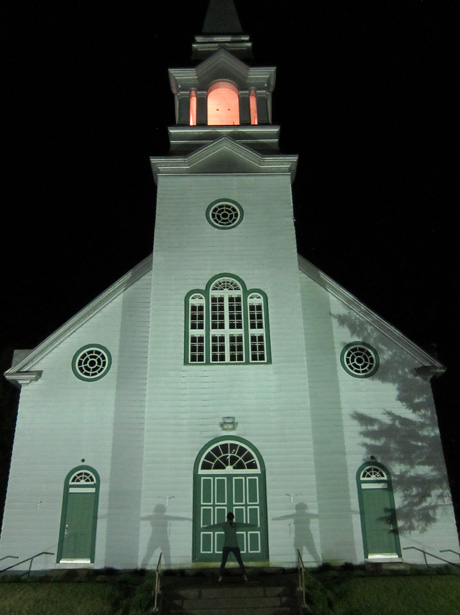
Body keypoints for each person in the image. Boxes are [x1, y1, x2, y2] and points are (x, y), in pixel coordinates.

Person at [205, 512, 257, 582]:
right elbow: (215, 526)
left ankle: (244, 576)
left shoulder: (235, 524)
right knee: (223, 562)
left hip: (235, 546)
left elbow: (244, 525)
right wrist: (206, 528)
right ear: (227, 519)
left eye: (231, 519)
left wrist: (254, 525)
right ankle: (220, 577)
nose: (230, 520)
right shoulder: (224, 525)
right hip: (227, 546)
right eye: (230, 519)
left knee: (240, 561)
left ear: (232, 519)